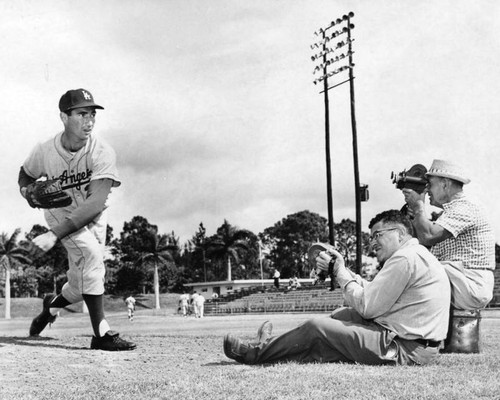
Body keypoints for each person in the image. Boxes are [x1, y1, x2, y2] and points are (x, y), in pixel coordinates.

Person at [224, 210, 450, 366]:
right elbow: (374, 292)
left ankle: (254, 353)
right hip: (414, 343)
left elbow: (368, 307)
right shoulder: (413, 255)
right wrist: (339, 268)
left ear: (400, 233)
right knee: (339, 318)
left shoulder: (404, 259)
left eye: (378, 236)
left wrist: (339, 271)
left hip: (405, 349)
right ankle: (269, 346)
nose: (373, 243)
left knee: (317, 328)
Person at [19, 88, 136, 351]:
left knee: (82, 280)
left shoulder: (102, 151)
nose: (90, 120)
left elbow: (95, 203)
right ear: (64, 116)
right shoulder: (44, 150)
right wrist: (28, 193)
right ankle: (102, 335)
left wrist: (53, 235)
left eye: (92, 114)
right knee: (92, 257)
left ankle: (51, 306)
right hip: (60, 213)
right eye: (82, 114)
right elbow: (25, 175)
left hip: (92, 215)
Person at [403, 159, 495, 310]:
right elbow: (421, 242)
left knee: (412, 270)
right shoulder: (450, 213)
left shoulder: (465, 207)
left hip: (470, 283)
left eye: (430, 185)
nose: (426, 191)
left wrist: (419, 205)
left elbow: (428, 237)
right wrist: (414, 215)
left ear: (445, 184)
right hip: (461, 280)